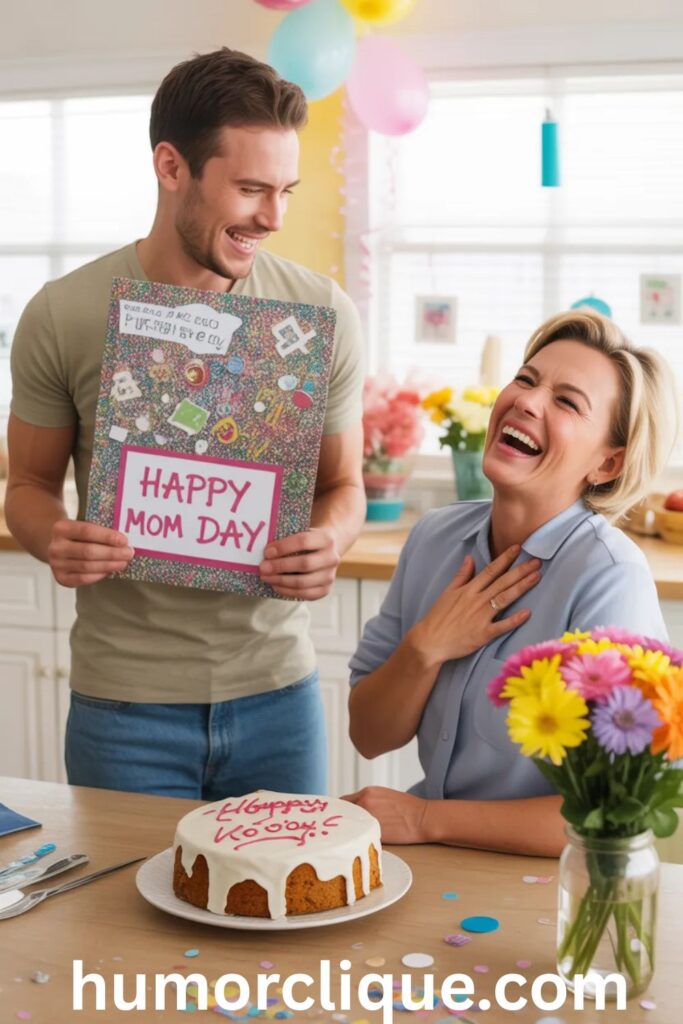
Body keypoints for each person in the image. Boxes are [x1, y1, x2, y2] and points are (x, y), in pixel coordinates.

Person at [6, 48, 367, 799]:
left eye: (285, 191)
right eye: (249, 189)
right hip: (123, 708)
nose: (272, 218)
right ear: (172, 168)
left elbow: (344, 486)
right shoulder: (64, 313)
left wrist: (328, 540)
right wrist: (54, 538)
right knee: (122, 917)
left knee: (284, 909)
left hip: (278, 699)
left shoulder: (318, 314)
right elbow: (29, 486)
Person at [346, 310, 678, 857]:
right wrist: (425, 649)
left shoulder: (607, 575)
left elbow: (614, 809)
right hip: (429, 862)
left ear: (608, 462)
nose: (527, 400)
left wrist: (426, 816)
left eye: (567, 402)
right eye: (527, 379)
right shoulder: (433, 538)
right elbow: (369, 734)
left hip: (547, 882)